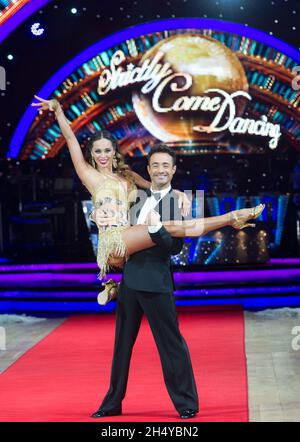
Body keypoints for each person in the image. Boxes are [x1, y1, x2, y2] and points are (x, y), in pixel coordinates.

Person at [31, 96, 265, 287]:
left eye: (107, 150)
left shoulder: (127, 175)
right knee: (169, 227)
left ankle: (119, 289)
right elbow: (71, 139)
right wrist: (58, 110)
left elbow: (156, 187)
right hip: (114, 243)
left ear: (114, 152)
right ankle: (231, 218)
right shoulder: (89, 175)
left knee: (169, 230)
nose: (102, 155)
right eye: (97, 151)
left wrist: (179, 194)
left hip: (131, 238)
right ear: (91, 154)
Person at [91, 144, 199, 419]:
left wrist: (155, 227)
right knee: (121, 347)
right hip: (129, 283)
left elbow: (174, 249)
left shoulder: (178, 201)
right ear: (148, 170)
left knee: (171, 345)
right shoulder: (135, 197)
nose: (161, 170)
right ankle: (112, 404)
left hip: (157, 283)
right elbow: (114, 224)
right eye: (155, 165)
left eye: (166, 165)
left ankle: (186, 405)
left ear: (173, 170)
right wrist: (97, 217)